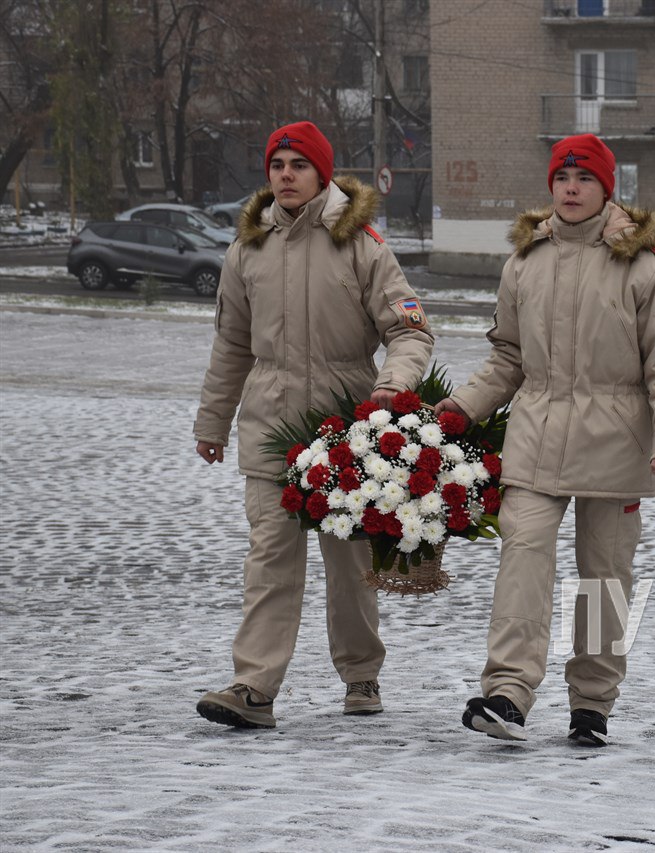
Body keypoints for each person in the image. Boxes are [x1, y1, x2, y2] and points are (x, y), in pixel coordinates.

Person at [435, 133, 655, 747]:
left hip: (617, 441)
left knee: (604, 579)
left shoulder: (643, 264)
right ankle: (508, 694)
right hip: (536, 434)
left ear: (607, 189)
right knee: (522, 562)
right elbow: (507, 357)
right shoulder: (524, 261)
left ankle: (592, 704)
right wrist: (464, 407)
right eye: (561, 178)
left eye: (584, 179)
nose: (571, 188)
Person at [192, 121, 434, 728]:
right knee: (269, 559)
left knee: (351, 567)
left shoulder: (363, 244)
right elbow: (231, 346)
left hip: (345, 432)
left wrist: (389, 387)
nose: (285, 175)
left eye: (299, 164)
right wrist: (213, 421)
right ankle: (254, 687)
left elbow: (410, 330)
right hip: (269, 426)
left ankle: (361, 676)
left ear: (322, 174)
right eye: (277, 164)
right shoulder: (247, 248)